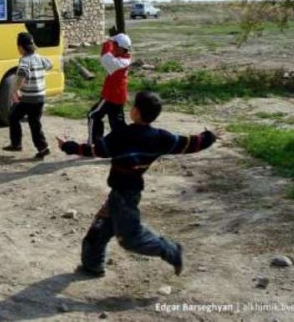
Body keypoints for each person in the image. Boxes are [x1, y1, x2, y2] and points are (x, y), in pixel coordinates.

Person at [57, 91, 218, 277]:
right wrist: (210, 136)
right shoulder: (160, 137)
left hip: (125, 196)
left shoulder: (121, 135)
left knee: (130, 238)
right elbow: (189, 143)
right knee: (98, 231)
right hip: (122, 193)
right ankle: (92, 266)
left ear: (135, 112)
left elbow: (95, 150)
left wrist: (67, 146)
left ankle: (171, 250)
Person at [3, 32, 53, 159]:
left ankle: (17, 144)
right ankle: (42, 148)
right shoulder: (40, 58)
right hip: (40, 97)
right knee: (34, 123)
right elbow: (50, 65)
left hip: (28, 98)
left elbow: (21, 77)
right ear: (32, 45)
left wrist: (15, 90)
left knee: (13, 117)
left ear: (20, 47)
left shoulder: (24, 61)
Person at [87, 32, 132, 145]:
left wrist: (108, 41)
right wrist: (112, 41)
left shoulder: (117, 63)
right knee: (117, 123)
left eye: (115, 46)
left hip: (111, 95)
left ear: (121, 48)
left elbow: (105, 56)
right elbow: (108, 55)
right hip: (118, 95)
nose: (113, 48)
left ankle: (94, 143)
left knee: (93, 115)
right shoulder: (123, 59)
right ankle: (127, 143)